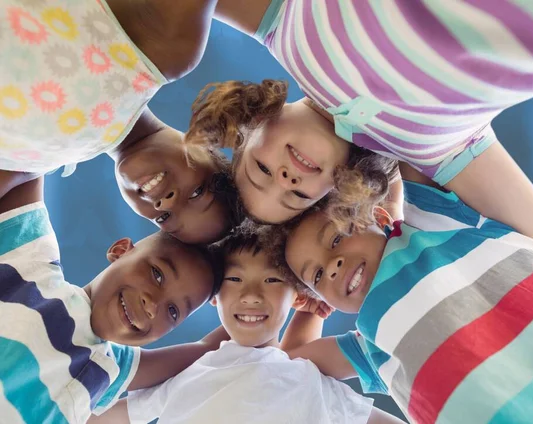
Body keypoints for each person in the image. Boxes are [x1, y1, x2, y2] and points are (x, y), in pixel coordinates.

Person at [186, 0, 533, 255]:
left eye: (261, 170)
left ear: (251, 126)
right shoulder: (426, 150)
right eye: (295, 195)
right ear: (334, 193)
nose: (286, 177)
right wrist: (397, 223)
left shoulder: (280, 22)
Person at [267, 168, 533, 424]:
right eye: (319, 274)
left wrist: (391, 203)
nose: (333, 266)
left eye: (337, 239)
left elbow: (408, 154)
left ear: (380, 217)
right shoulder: (372, 343)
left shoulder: (431, 226)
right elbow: (292, 361)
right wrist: (313, 306)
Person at [90, 228, 405, 424]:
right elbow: (95, 418)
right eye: (234, 279)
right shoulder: (189, 376)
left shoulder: (311, 380)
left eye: (271, 280)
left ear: (297, 296)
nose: (251, 295)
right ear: (214, 296)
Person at [0, 0, 237, 243]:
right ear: (206, 145)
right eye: (197, 192)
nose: (164, 202)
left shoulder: (40, 162)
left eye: (164, 218)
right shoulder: (163, 51)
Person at [0, 176, 229, 423]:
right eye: (157, 275)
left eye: (173, 311)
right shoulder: (33, 266)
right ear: (120, 251)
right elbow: (29, 162)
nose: (152, 306)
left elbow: (212, 348)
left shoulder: (108, 367)